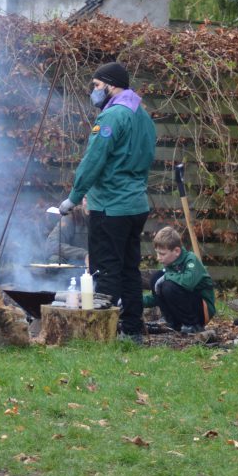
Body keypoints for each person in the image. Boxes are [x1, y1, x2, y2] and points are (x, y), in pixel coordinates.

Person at [58, 61, 157, 343]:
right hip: (136, 204)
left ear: (111, 85)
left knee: (105, 268)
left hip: (110, 207)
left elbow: (94, 160)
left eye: (97, 85)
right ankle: (132, 330)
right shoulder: (143, 116)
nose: (94, 90)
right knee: (129, 268)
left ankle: (101, 332)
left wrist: (74, 197)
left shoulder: (112, 117)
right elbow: (147, 157)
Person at [143, 227, 216, 334]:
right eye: (157, 253)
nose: (158, 258)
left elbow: (188, 282)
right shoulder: (170, 264)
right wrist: (133, 301)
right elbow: (157, 297)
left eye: (162, 254)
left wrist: (166, 277)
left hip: (201, 311)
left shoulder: (191, 259)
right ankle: (172, 323)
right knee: (156, 278)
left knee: (168, 285)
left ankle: (193, 325)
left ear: (177, 251)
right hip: (184, 306)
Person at [44, 199, 89, 266]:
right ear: (82, 200)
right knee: (55, 260)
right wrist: (84, 254)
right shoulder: (73, 216)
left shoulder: (107, 217)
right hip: (73, 264)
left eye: (95, 200)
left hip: (101, 263)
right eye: (86, 199)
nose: (90, 204)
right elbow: (51, 244)